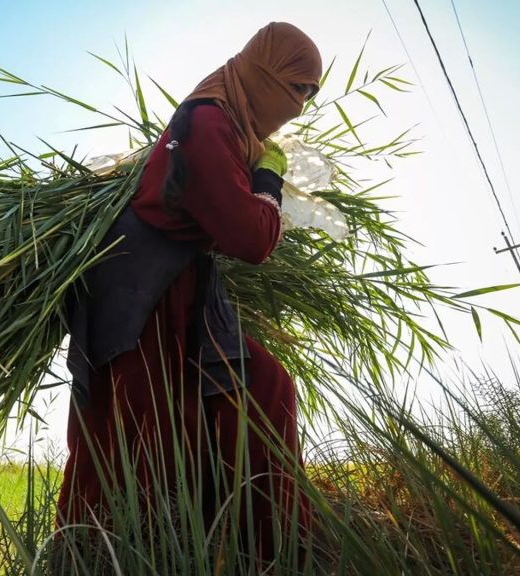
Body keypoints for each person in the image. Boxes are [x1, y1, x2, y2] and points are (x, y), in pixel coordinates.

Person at [57, 21, 323, 568]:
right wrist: (268, 183)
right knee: (135, 437)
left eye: (311, 94)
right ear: (261, 70)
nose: (299, 106)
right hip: (140, 293)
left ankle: (265, 556)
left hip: (184, 290)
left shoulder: (230, 127)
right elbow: (251, 239)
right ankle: (98, 559)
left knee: (263, 390)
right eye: (296, 86)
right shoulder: (207, 122)